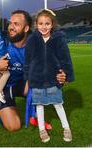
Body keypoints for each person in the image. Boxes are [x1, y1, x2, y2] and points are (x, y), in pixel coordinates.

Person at [0, 9, 67, 132]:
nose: (11, 27)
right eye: (10, 23)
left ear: (26, 29)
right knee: (13, 127)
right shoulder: (1, 40)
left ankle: (34, 114)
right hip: (5, 86)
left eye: (16, 24)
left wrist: (60, 77)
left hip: (24, 84)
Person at [24, 9, 74, 143]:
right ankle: (42, 129)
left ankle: (66, 127)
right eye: (41, 23)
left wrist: (67, 75)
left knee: (58, 104)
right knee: (39, 105)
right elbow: (27, 61)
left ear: (52, 24)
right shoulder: (31, 39)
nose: (44, 26)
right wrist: (27, 79)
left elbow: (66, 59)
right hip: (36, 79)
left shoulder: (59, 39)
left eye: (47, 23)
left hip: (54, 79)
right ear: (36, 24)